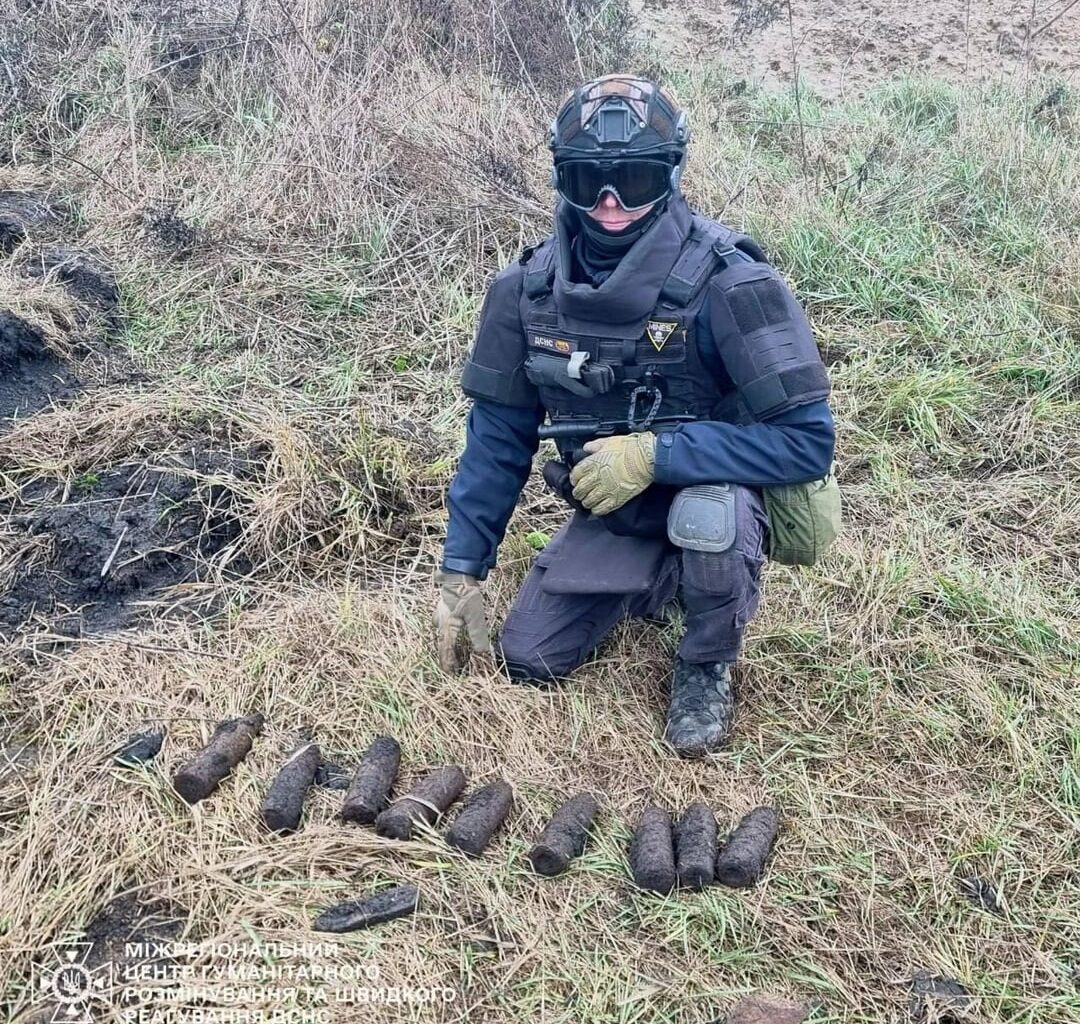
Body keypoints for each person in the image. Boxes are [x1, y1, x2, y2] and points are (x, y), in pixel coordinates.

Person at [433, 75, 837, 757]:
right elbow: (497, 441)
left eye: (638, 178)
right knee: (530, 657)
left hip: (717, 491)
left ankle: (705, 663)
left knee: (710, 516)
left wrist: (655, 455)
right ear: (563, 177)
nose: (613, 204)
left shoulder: (732, 282)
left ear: (673, 172)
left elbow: (807, 444)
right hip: (616, 509)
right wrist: (462, 569)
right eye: (591, 181)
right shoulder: (525, 292)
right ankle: (666, 576)